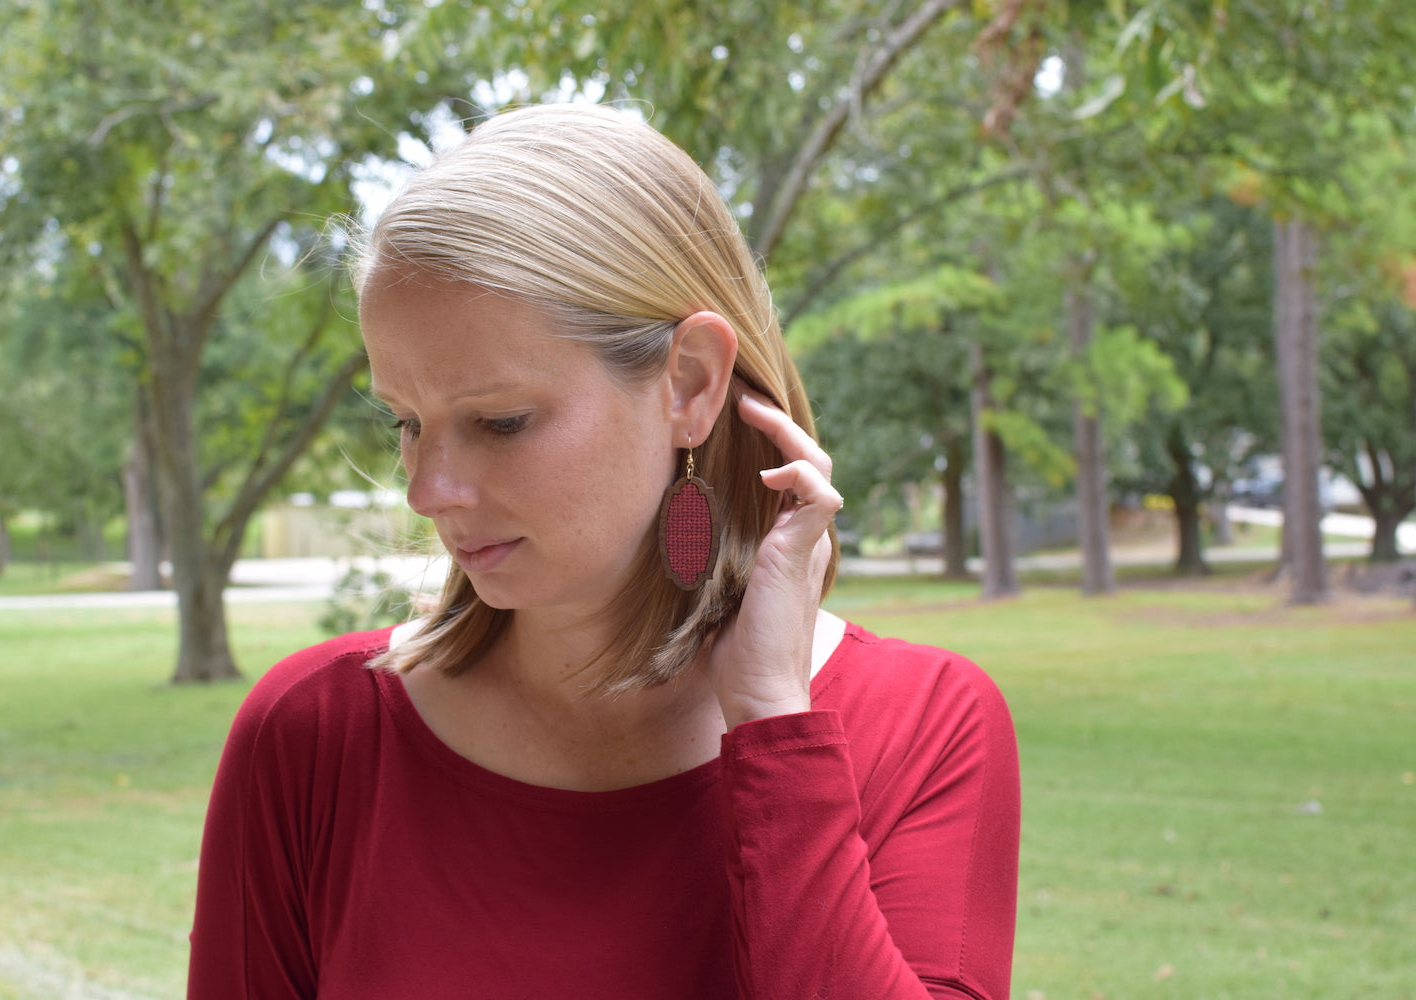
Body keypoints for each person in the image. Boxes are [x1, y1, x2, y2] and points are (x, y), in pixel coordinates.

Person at [187, 103, 1020, 1000]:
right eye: (408, 423)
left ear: (689, 384)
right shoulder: (315, 738)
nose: (427, 491)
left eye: (500, 421)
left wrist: (774, 725)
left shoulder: (925, 726)